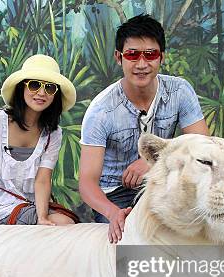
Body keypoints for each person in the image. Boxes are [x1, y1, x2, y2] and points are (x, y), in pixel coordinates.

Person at [79, 14, 209, 243]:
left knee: (187, 237)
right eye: (132, 55)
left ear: (162, 57)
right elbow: (87, 183)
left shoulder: (179, 91)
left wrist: (153, 161)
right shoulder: (101, 111)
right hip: (114, 194)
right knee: (130, 245)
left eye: (150, 55)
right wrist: (112, 213)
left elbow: (201, 145)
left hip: (162, 182)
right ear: (119, 58)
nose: (141, 64)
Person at [0, 55, 77, 231]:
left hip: (31, 207)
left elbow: (43, 180)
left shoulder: (53, 132)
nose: (41, 93)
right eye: (34, 85)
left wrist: (42, 217)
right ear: (21, 88)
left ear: (55, 95)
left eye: (49, 88)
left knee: (67, 221)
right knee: (64, 223)